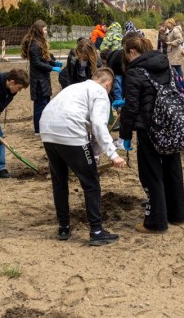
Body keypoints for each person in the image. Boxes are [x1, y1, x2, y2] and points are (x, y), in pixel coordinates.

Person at [40, 68, 126, 246]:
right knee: (91, 182)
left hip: (47, 130)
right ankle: (96, 230)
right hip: (70, 131)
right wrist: (113, 154)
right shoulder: (100, 92)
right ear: (108, 84)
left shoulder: (74, 88)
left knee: (59, 181)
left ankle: (63, 226)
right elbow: (98, 124)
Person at [118, 37, 184, 233]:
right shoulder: (166, 65)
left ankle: (156, 221)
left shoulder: (135, 71)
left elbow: (132, 107)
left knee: (151, 174)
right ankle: (177, 214)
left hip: (148, 127)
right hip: (170, 124)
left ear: (132, 52)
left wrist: (125, 135)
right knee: (173, 168)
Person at [21, 20, 62, 135]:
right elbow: (37, 63)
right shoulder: (34, 44)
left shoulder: (40, 42)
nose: (46, 31)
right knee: (40, 104)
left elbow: (45, 58)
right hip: (38, 80)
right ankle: (38, 129)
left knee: (46, 102)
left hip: (44, 78)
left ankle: (44, 127)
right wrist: (51, 68)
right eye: (44, 29)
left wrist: (53, 63)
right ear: (39, 30)